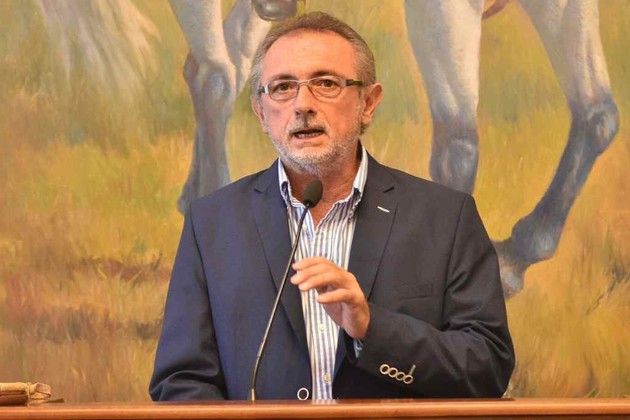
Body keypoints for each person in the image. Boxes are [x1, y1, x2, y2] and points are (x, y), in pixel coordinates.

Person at [149, 11, 514, 401]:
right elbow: (181, 382)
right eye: (283, 87)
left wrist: (372, 328)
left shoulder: (445, 218)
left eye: (325, 83)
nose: (303, 104)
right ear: (260, 111)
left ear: (368, 103)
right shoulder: (212, 224)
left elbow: (487, 369)